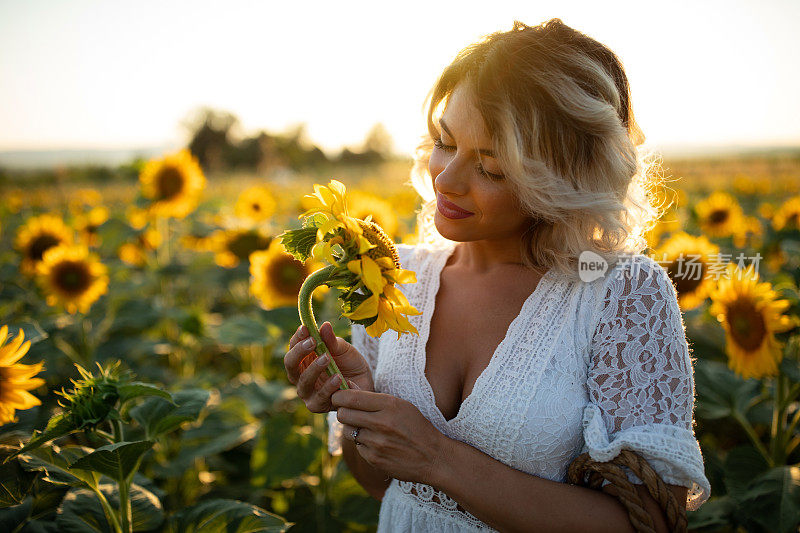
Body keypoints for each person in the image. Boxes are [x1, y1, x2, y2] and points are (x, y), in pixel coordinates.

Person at [284, 18, 710, 532]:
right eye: (445, 141)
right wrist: (357, 406)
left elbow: (651, 524)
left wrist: (438, 458)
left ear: (563, 178)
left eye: (491, 168)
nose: (445, 177)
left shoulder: (618, 294)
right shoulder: (394, 277)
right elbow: (382, 486)